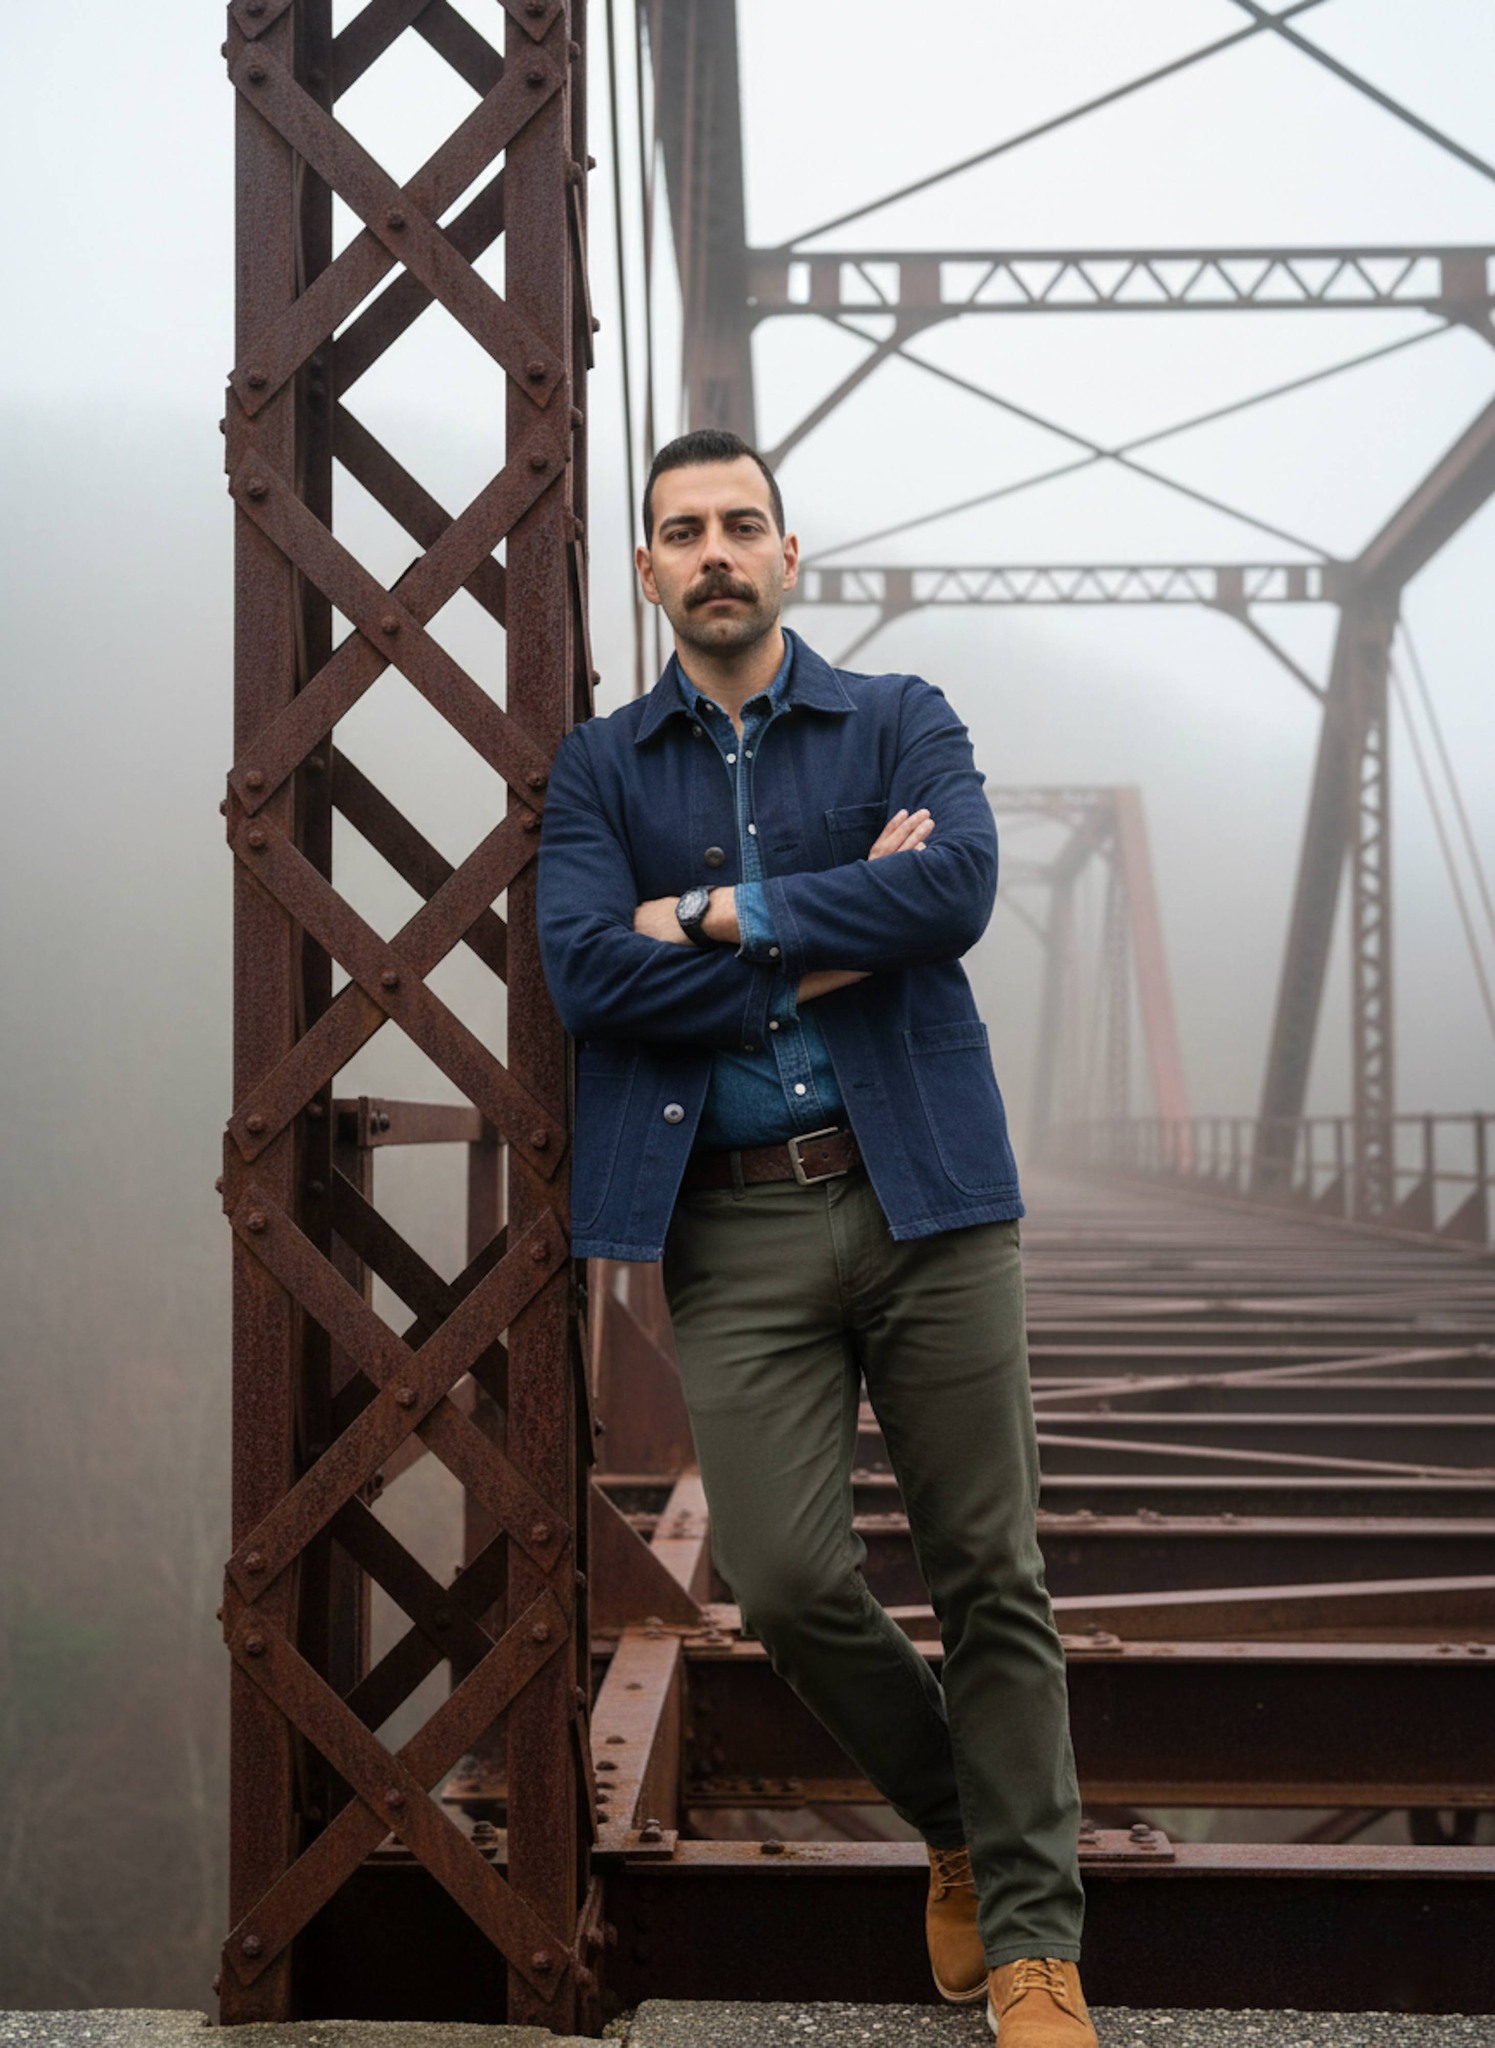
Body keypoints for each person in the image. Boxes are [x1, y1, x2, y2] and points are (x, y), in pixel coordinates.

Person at [537, 428, 1094, 2047]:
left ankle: (1038, 1943)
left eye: (743, 524)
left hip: (925, 1192)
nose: (715, 550)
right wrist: (843, 926)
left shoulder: (901, 718)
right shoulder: (598, 771)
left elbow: (962, 888)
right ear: (647, 571)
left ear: (793, 556)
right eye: (682, 530)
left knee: (994, 1572)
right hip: (729, 1220)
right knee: (782, 1580)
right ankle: (961, 1819)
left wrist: (720, 916)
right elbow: (584, 974)